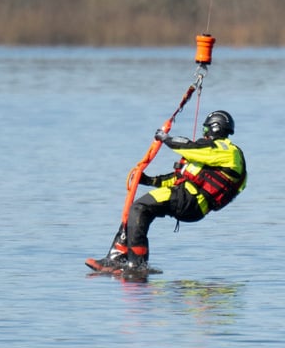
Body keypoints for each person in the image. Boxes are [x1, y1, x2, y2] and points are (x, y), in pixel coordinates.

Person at [87, 110, 247, 275]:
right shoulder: (212, 156)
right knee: (140, 212)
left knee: (139, 207)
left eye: (206, 130)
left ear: (215, 128)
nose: (204, 134)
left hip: (191, 199)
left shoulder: (227, 151)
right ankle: (120, 257)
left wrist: (165, 138)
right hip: (189, 199)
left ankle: (136, 266)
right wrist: (148, 180)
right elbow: (179, 178)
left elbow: (188, 147)